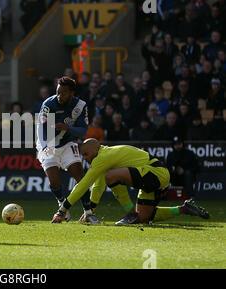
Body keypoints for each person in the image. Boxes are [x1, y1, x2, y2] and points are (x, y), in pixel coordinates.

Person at [51, 139, 210, 225]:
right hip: (154, 176)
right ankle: (184, 208)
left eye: (85, 154)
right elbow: (98, 184)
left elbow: (84, 184)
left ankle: (130, 214)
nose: (84, 158)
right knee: (144, 218)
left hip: (155, 171)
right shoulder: (104, 158)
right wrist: (90, 210)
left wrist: (63, 209)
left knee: (111, 177)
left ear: (96, 148)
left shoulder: (102, 157)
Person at [36, 76, 98, 224]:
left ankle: (88, 213)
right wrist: (46, 148)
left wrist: (68, 128)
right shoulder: (49, 104)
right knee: (54, 181)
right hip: (48, 143)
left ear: (72, 93)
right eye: (58, 92)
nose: (59, 96)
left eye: (63, 93)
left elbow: (83, 131)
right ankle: (63, 207)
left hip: (67, 143)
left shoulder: (80, 106)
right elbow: (42, 129)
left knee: (80, 177)